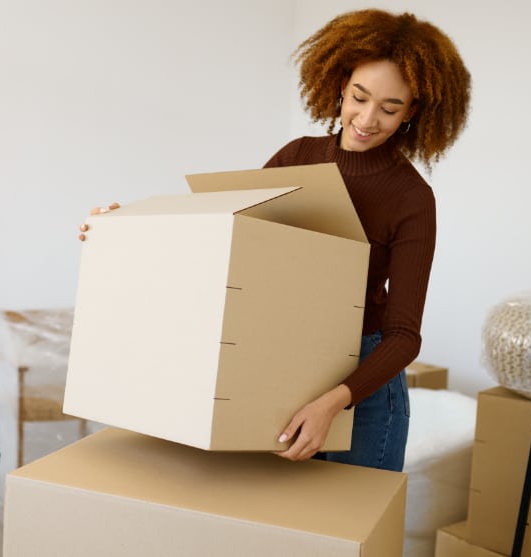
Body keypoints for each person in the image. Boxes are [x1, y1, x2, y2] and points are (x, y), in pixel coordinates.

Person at [79, 9, 470, 473]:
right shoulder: (298, 157)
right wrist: (124, 231)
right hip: (285, 354)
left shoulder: (412, 198)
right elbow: (223, 238)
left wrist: (332, 404)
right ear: (340, 84)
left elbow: (403, 336)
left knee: (353, 537)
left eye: (389, 108)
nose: (367, 119)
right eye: (360, 98)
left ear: (413, 112)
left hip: (364, 385)